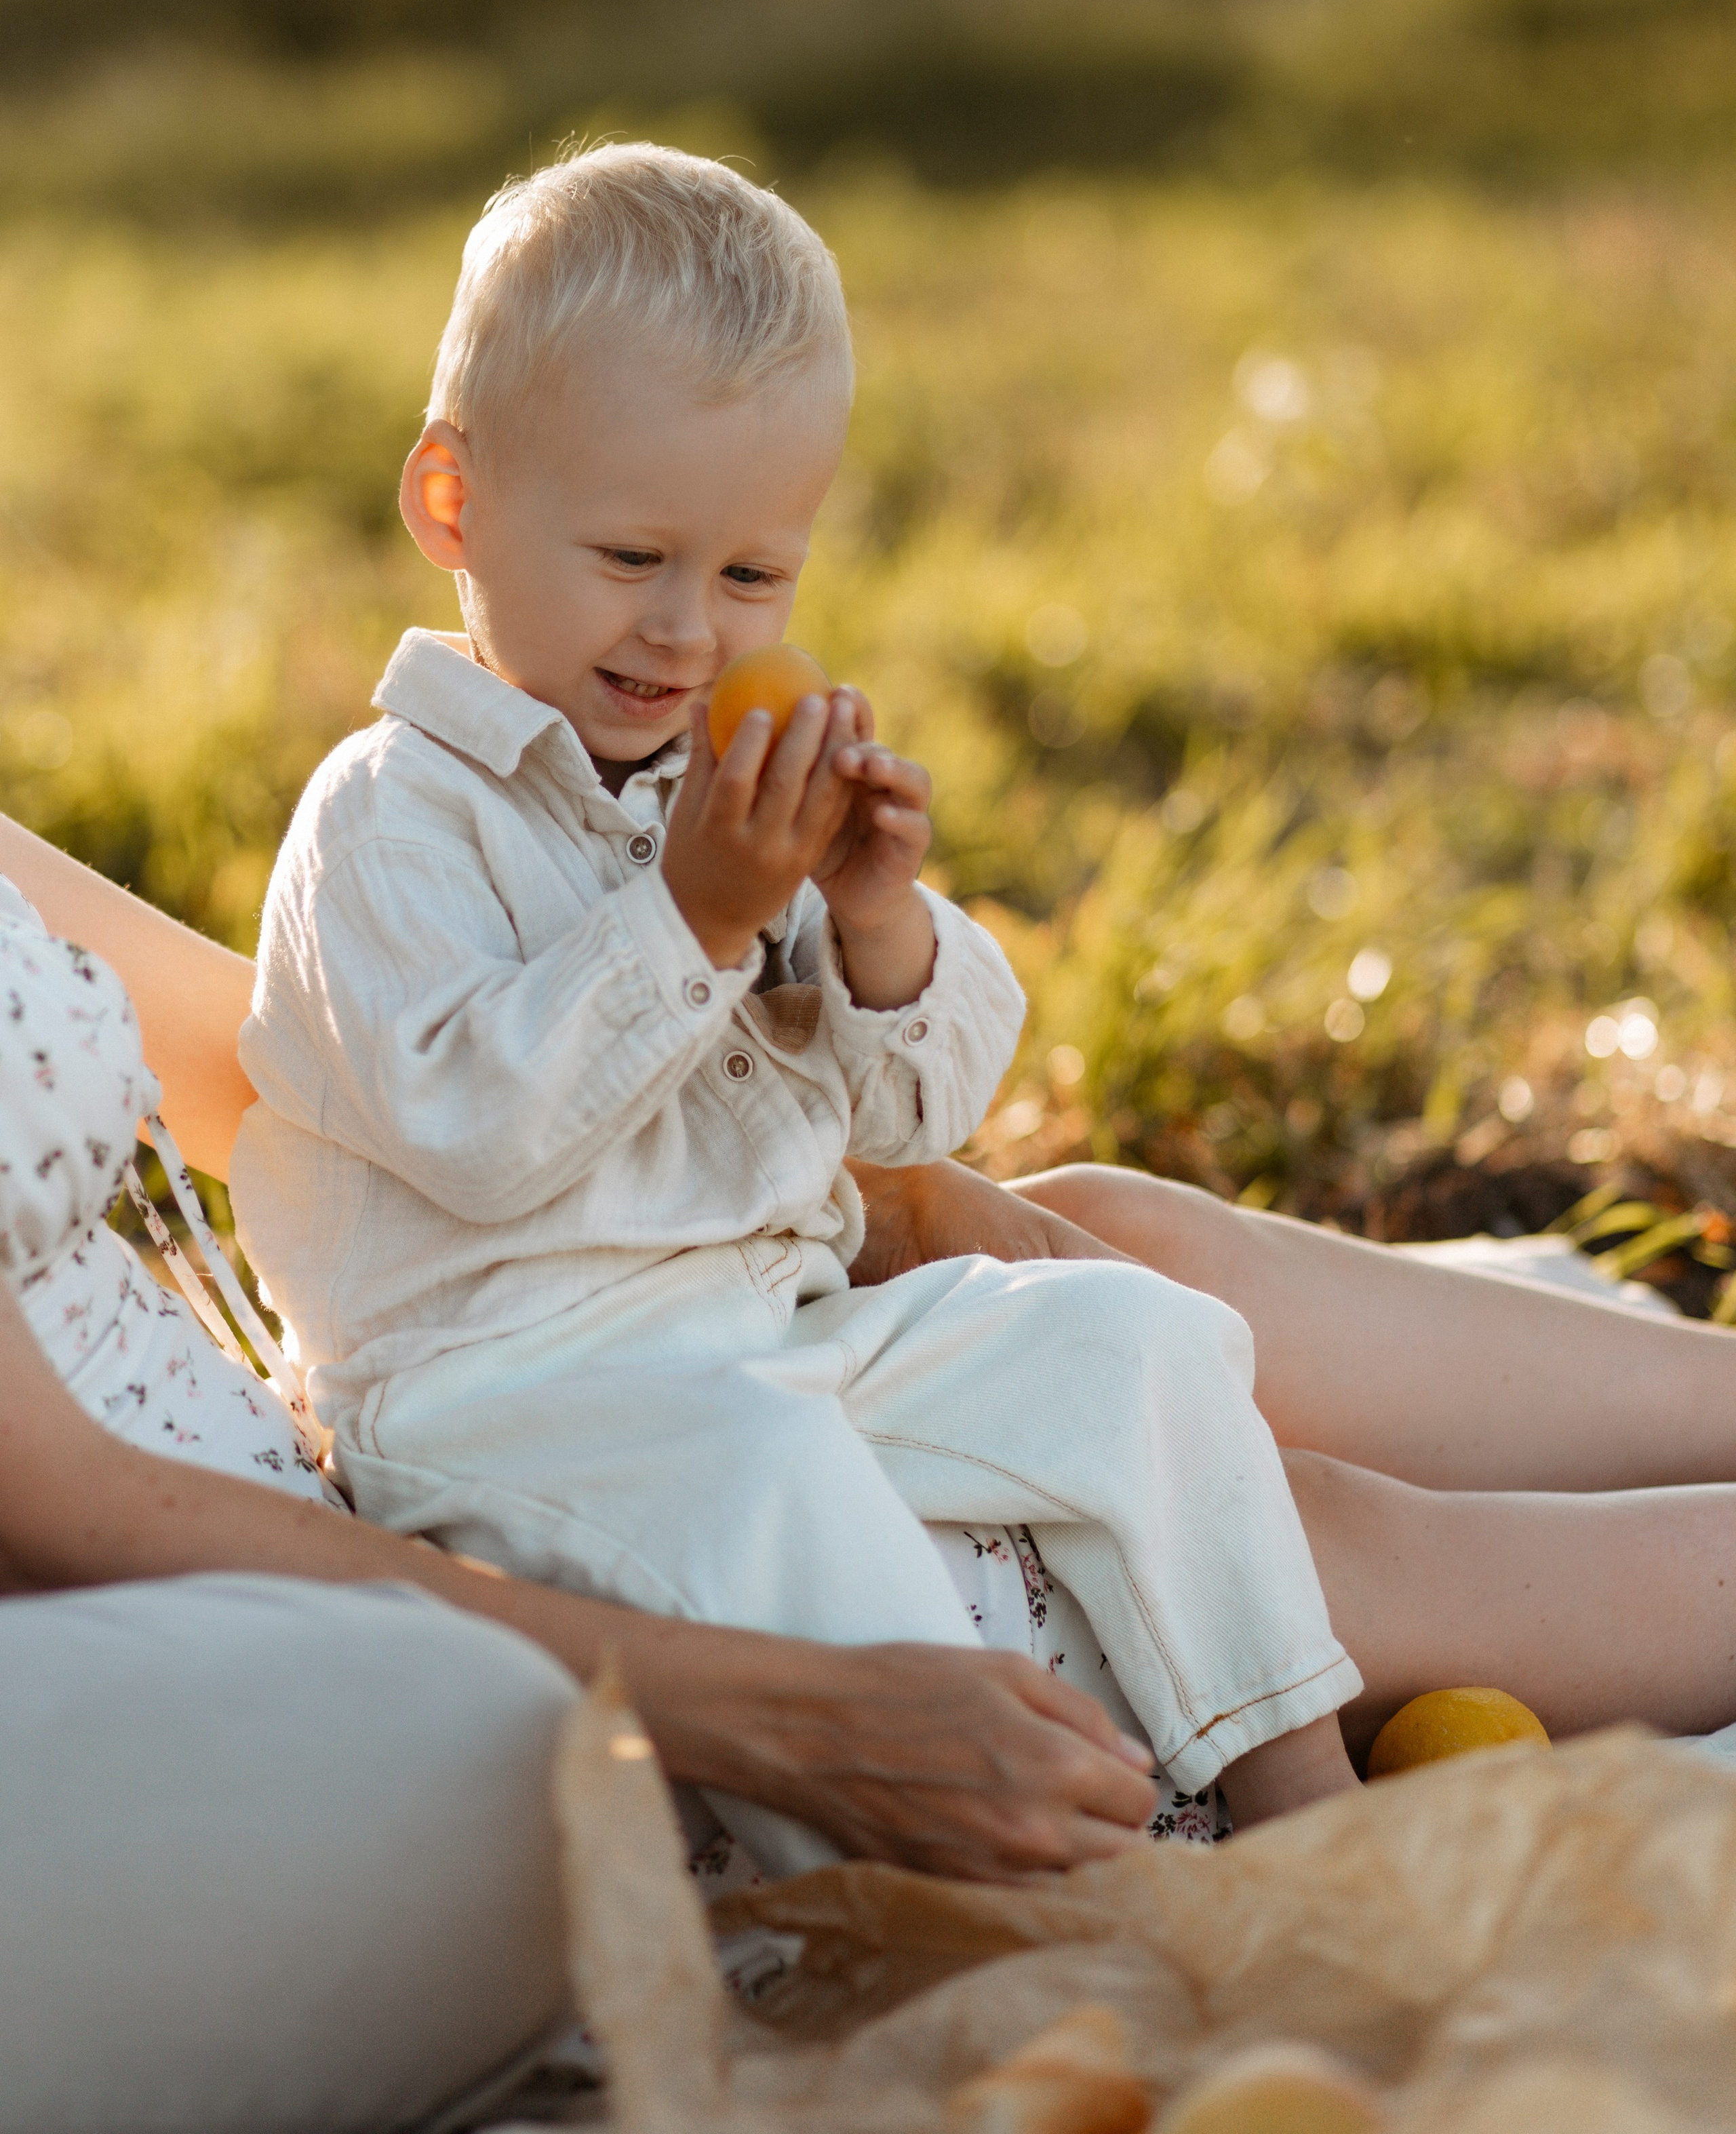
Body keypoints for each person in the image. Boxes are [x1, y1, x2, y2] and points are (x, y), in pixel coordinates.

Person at [237, 143, 1368, 1863]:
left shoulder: (721, 783)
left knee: (1129, 1341)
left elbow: (906, 1116)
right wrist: (693, 918)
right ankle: (1001, 1922)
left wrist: (870, 918)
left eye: (754, 576)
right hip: (508, 1386)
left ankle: (1317, 1824)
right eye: (632, 556)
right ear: (452, 506)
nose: (689, 629)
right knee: (777, 1491)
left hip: (763, 1320)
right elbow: (473, 1137)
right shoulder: (389, 817)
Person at [0, 814, 1162, 2134]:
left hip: (273, 1504)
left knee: (1112, 1283)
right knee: (507, 1729)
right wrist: (811, 1718)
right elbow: (58, 1508)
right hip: (164, 1606)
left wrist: (869, 1189)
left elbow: (286, 1072)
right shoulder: (389, 796)